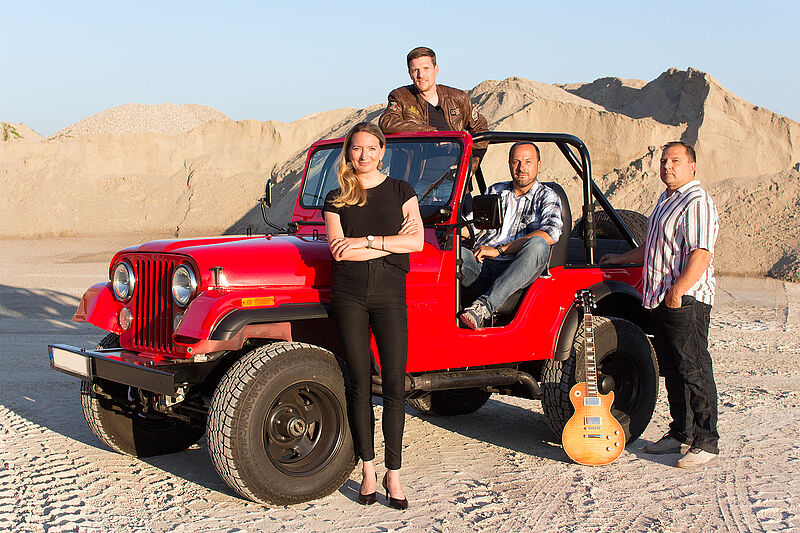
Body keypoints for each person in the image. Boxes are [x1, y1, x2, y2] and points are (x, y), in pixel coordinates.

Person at [600, 141, 720, 470]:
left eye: (675, 161)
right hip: (661, 298)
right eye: (664, 160)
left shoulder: (696, 201)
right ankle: (681, 432)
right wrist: (621, 258)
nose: (667, 166)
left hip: (686, 299)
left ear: (692, 166)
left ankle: (706, 441)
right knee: (671, 368)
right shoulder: (666, 199)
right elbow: (653, 247)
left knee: (693, 368)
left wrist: (679, 290)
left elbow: (701, 253)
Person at [322, 122, 424, 508]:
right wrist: (391, 244)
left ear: (382, 152)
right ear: (348, 153)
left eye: (371, 148)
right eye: (356, 148)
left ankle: (393, 474)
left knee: (395, 385)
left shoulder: (401, 191)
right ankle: (367, 470)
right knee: (359, 384)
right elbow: (338, 250)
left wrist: (365, 241)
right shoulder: (336, 197)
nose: (363, 155)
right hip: (349, 296)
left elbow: (416, 242)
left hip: (390, 297)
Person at [458, 142, 562, 330]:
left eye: (528, 162)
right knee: (452, 252)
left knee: (539, 244)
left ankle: (484, 307)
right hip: (482, 265)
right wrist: (449, 230)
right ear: (509, 164)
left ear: (539, 165)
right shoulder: (495, 191)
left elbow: (550, 233)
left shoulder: (547, 196)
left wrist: (499, 250)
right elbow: (472, 226)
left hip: (517, 267)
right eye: (516, 162)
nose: (521, 168)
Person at [379, 46, 488, 171]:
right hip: (413, 179)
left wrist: (470, 164)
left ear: (436, 69)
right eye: (415, 70)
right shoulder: (401, 97)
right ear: (409, 73)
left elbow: (481, 129)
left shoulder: (458, 98)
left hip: (455, 179)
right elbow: (386, 122)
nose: (421, 75)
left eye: (426, 68)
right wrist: (431, 134)